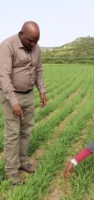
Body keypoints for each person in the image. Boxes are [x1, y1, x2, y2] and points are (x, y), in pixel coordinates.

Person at [0, 21, 46, 185]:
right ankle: (11, 170)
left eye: (36, 40)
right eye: (30, 40)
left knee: (26, 130)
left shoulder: (36, 48)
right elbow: (3, 76)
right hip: (10, 95)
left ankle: (22, 161)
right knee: (13, 133)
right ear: (22, 34)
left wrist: (42, 90)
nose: (33, 44)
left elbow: (38, 70)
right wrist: (13, 101)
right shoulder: (7, 46)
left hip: (28, 94)